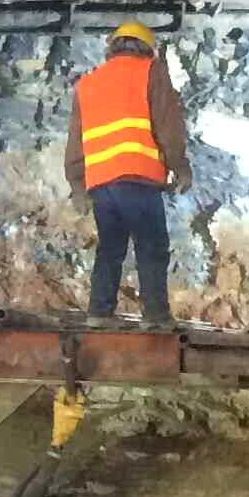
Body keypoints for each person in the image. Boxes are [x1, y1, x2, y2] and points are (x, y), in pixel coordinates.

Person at [61, 21, 189, 324]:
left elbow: (75, 140)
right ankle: (156, 316)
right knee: (151, 245)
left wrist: (77, 186)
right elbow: (168, 126)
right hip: (137, 176)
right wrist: (180, 168)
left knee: (110, 247)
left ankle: (99, 313)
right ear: (148, 49)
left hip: (100, 183)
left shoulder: (88, 84)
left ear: (112, 49)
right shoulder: (151, 72)